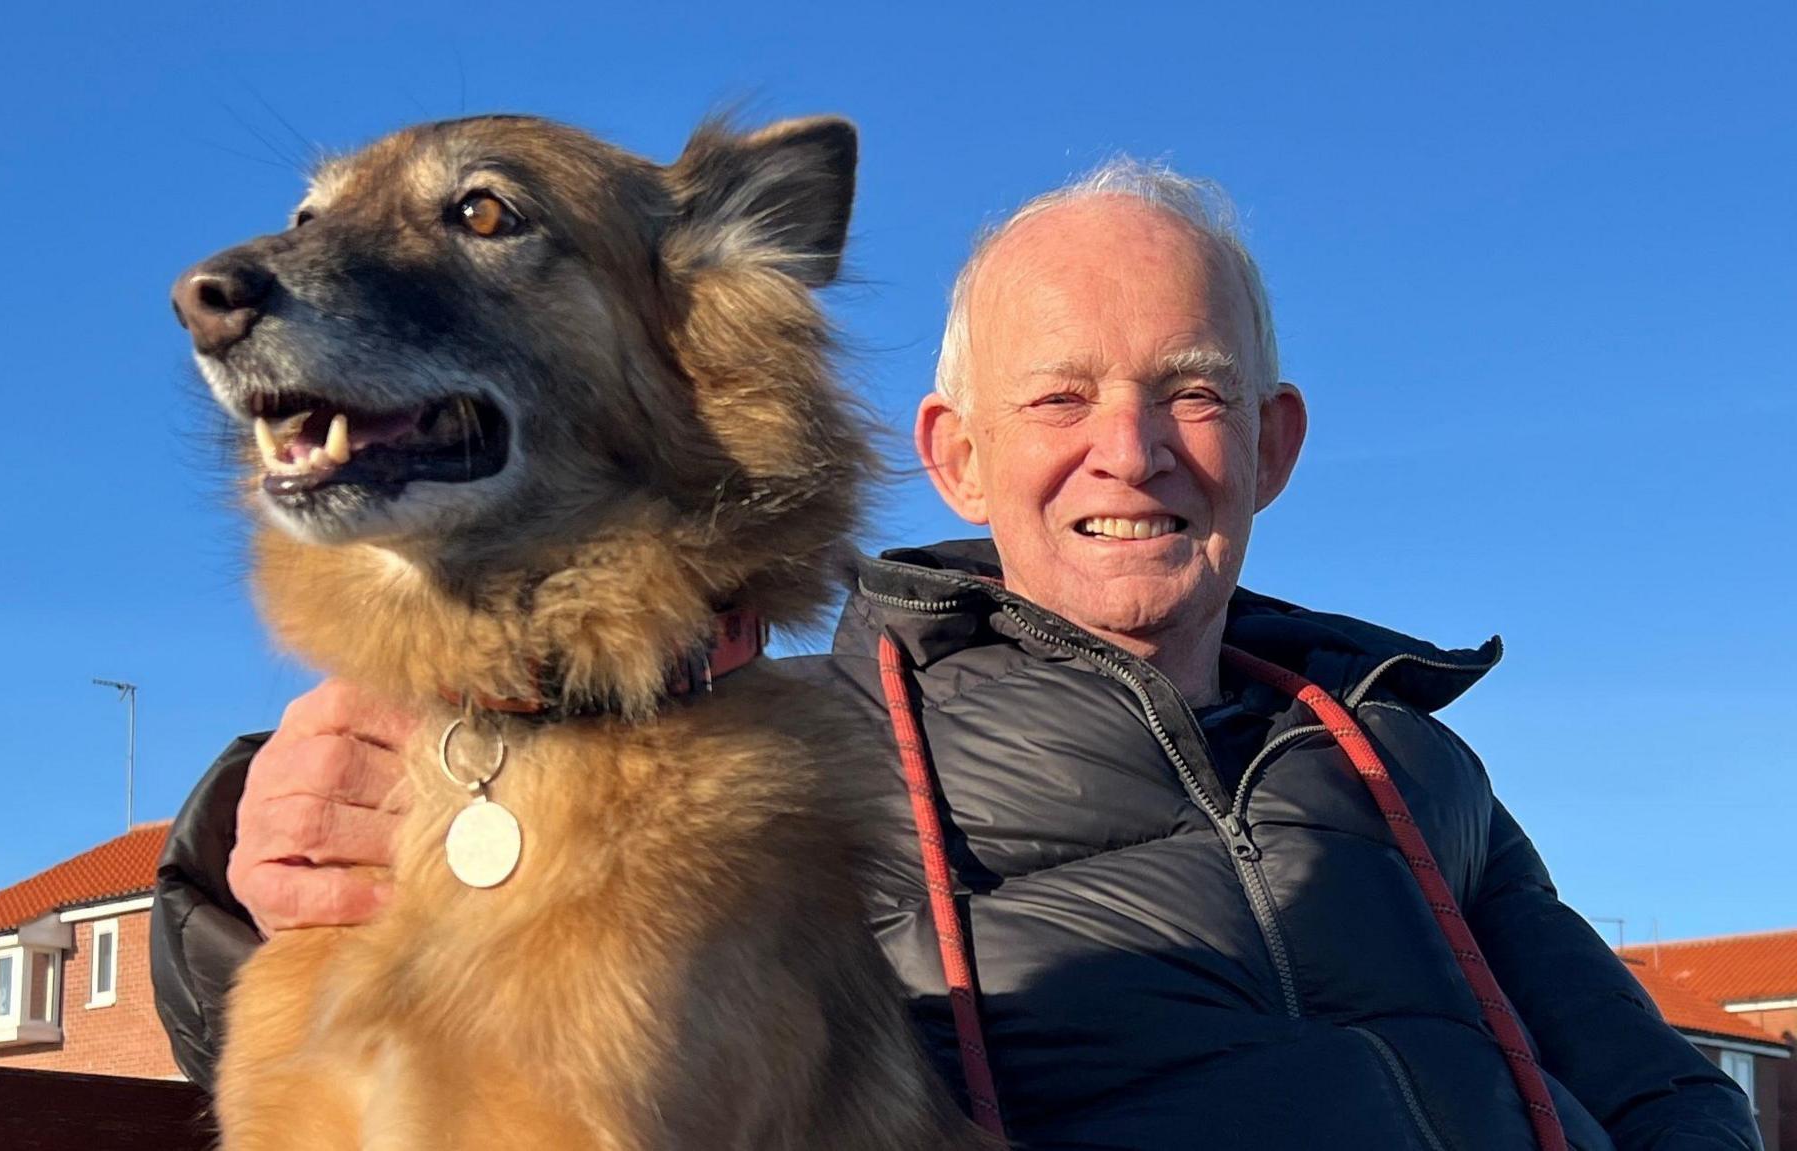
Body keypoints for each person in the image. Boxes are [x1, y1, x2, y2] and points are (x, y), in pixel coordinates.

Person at [151, 160, 1760, 1150]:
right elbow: (442, 1028)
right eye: (1058, 400)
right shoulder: (772, 749)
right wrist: (246, 860)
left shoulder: (1401, 751)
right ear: (954, 453)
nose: (1129, 454)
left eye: (1190, 392)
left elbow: (1656, 1088)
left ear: (1271, 444)